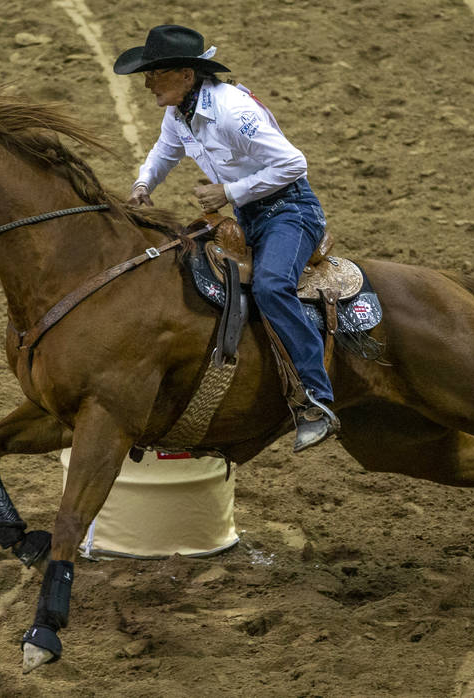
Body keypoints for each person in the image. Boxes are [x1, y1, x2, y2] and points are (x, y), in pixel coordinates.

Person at [114, 25, 339, 453]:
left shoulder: (234, 110)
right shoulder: (180, 111)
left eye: (153, 73)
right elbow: (165, 151)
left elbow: (294, 163)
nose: (146, 83)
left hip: (291, 212)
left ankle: (316, 398)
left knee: (273, 286)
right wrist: (143, 186)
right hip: (249, 216)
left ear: (185, 75)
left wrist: (228, 192)